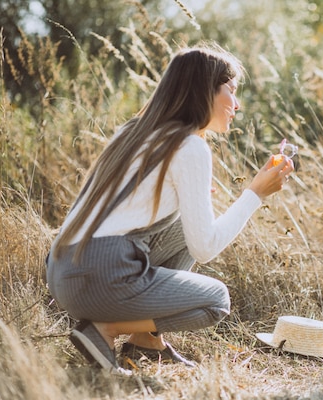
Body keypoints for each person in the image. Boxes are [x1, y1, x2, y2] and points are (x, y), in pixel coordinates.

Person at [46, 43, 294, 375]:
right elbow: (205, 248)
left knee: (181, 227)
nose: (237, 104)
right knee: (216, 300)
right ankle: (105, 330)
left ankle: (146, 341)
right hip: (100, 273)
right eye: (231, 91)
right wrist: (254, 193)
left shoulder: (133, 133)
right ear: (205, 90)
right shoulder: (190, 145)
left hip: (63, 271)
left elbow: (166, 226)